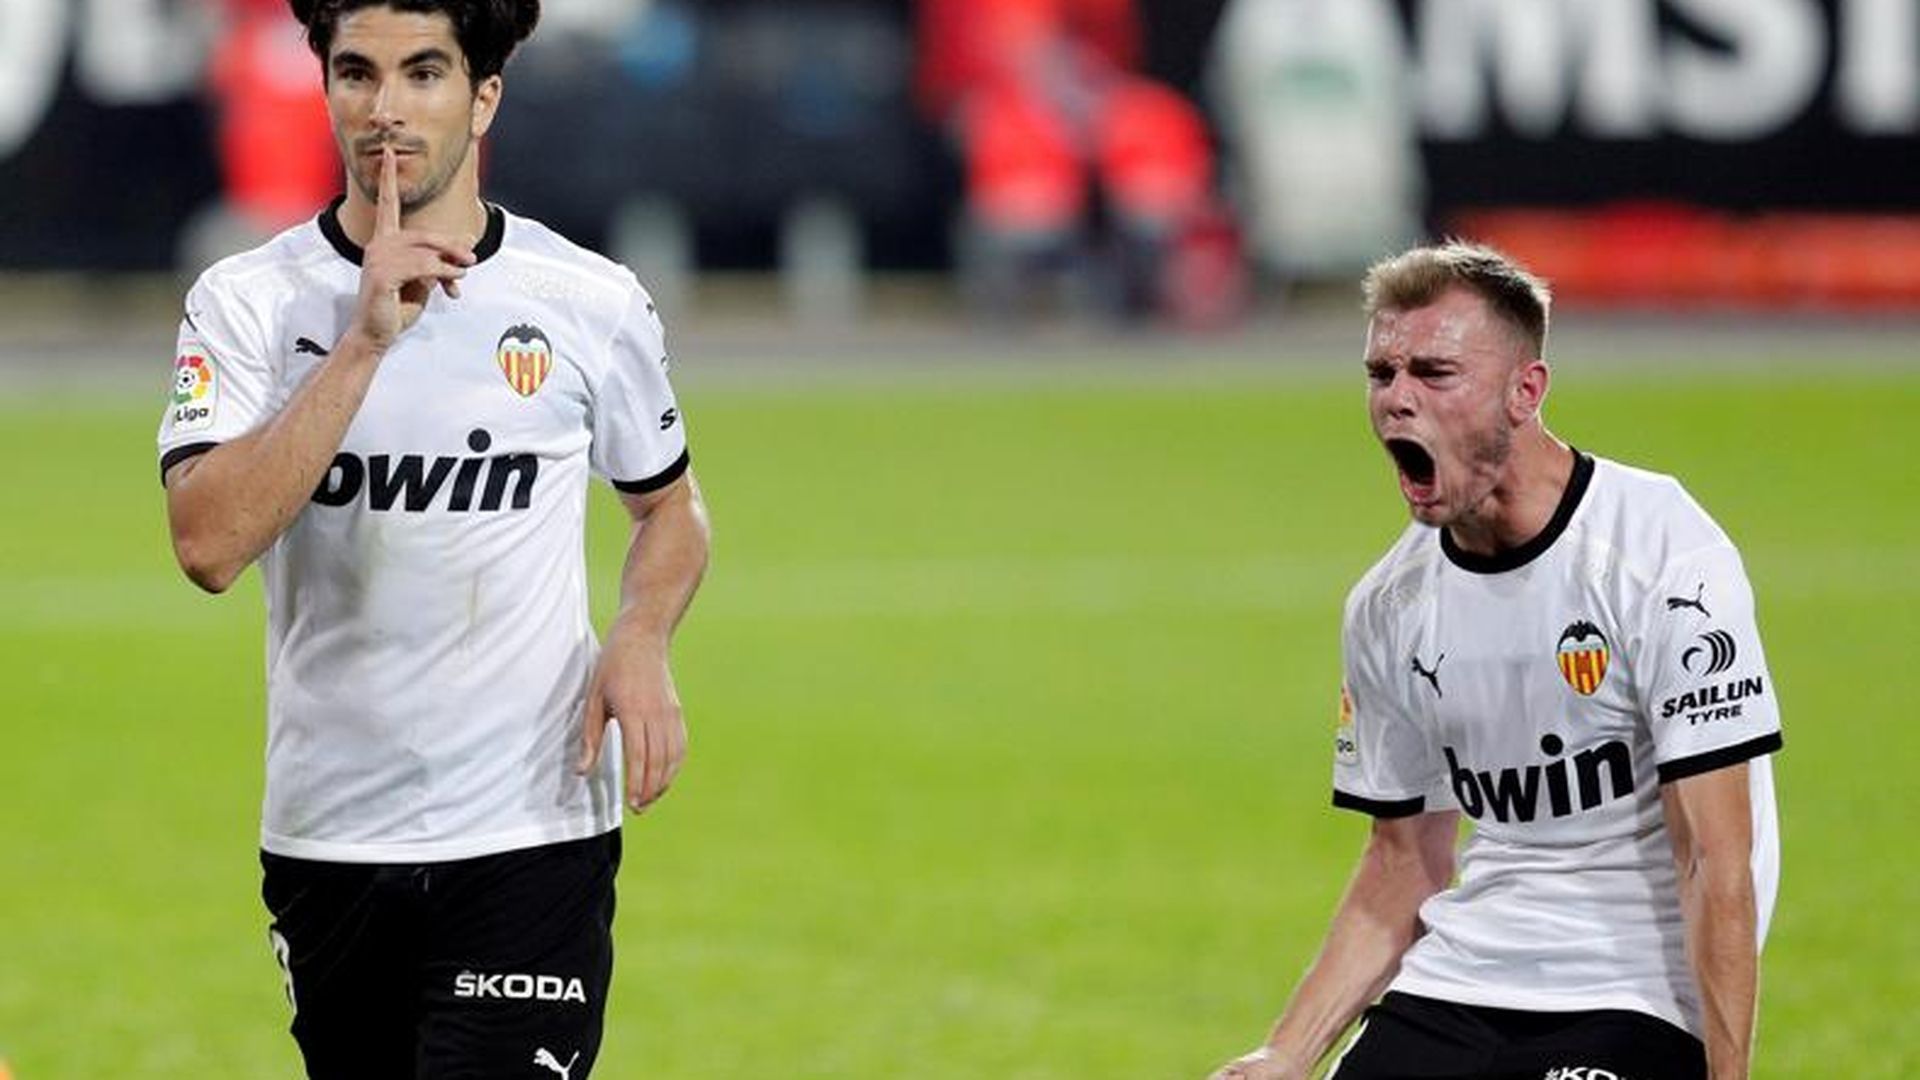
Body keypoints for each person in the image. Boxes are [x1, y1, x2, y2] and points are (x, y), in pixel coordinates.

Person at [156, 1, 710, 1075]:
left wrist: (641, 633)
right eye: (357, 73)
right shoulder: (248, 303)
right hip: (330, 835)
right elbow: (208, 546)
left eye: (424, 73)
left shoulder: (587, 300)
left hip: (532, 828)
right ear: (324, 89)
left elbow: (670, 504)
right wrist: (361, 344)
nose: (386, 110)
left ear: (483, 94)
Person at [1210, 242, 1782, 1080]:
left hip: (1633, 989)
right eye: (1381, 373)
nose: (1397, 400)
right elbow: (1401, 865)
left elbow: (1717, 859)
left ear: (1526, 392)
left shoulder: (1660, 550)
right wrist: (1285, 1052)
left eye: (1435, 373)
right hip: (1461, 979)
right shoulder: (1389, 606)